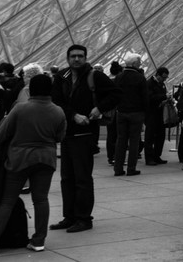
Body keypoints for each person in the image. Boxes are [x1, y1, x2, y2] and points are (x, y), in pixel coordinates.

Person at [0, 74, 66, 255]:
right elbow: (60, 137)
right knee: (41, 199)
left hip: (19, 159)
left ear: (31, 89)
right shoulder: (58, 111)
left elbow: (4, 131)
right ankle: (39, 241)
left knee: (7, 201)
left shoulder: (20, 109)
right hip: (46, 159)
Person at [51, 44, 120, 233]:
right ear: (67, 58)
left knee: (82, 178)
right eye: (73, 56)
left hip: (85, 134)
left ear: (86, 57)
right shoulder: (61, 77)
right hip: (67, 132)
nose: (76, 59)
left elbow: (116, 94)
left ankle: (83, 218)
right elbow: (56, 101)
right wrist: (73, 115)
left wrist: (99, 108)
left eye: (80, 56)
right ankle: (69, 216)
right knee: (67, 178)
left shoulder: (95, 76)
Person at [113, 52, 147, 177]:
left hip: (121, 112)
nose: (140, 65)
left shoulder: (119, 77)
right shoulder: (140, 77)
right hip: (136, 113)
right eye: (139, 63)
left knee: (120, 140)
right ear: (134, 64)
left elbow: (114, 95)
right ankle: (131, 168)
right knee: (134, 141)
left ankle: (118, 168)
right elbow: (145, 97)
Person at [145, 66, 169, 165]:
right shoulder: (149, 84)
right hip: (151, 113)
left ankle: (157, 155)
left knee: (160, 135)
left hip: (160, 113)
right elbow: (150, 98)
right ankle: (149, 157)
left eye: (165, 78)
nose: (164, 79)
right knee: (150, 136)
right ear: (157, 75)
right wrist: (164, 97)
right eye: (163, 77)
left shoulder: (162, 84)